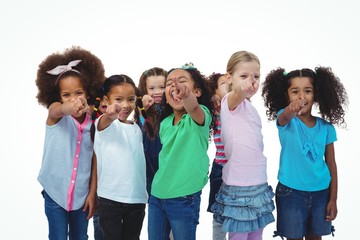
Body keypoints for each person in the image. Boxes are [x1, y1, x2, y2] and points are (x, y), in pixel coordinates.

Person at [261, 67, 348, 240]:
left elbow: (331, 164)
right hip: (291, 194)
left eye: (307, 91)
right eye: (295, 91)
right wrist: (291, 109)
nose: (302, 96)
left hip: (321, 193)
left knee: (315, 237)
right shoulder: (286, 121)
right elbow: (284, 116)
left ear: (316, 94)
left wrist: (333, 199)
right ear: (286, 95)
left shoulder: (326, 128)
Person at [36, 46, 105, 239]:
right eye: (66, 95)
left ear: (88, 92)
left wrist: (92, 193)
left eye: (78, 93)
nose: (73, 99)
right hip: (55, 192)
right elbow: (58, 110)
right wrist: (69, 106)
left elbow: (94, 159)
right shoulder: (56, 115)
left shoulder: (93, 122)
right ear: (58, 97)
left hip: (82, 197)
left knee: (80, 237)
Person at [211, 51, 275, 240]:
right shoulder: (230, 102)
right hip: (238, 185)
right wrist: (241, 89)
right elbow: (237, 94)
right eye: (244, 76)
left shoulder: (251, 108)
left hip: (259, 182)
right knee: (238, 235)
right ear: (229, 78)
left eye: (256, 76)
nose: (252, 81)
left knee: (257, 234)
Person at [148, 63, 214, 240]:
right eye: (169, 83)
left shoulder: (201, 116)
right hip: (157, 194)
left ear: (197, 91)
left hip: (184, 196)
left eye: (182, 82)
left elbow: (193, 107)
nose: (175, 86)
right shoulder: (164, 123)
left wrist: (188, 97)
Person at [93, 74, 148, 240]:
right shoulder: (104, 124)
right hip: (110, 199)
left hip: (137, 199)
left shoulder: (137, 128)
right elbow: (105, 121)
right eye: (118, 99)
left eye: (131, 99)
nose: (125, 105)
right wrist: (110, 113)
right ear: (106, 100)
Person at [135, 67, 167, 195]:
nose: (158, 92)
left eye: (162, 87)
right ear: (145, 90)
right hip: (150, 161)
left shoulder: (173, 106)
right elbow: (141, 131)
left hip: (167, 158)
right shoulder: (142, 108)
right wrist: (143, 110)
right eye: (152, 88)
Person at [206, 72, 228, 240]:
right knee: (219, 216)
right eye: (223, 83)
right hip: (221, 168)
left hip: (242, 169)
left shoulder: (243, 106)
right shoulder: (215, 110)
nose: (228, 85)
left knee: (239, 215)